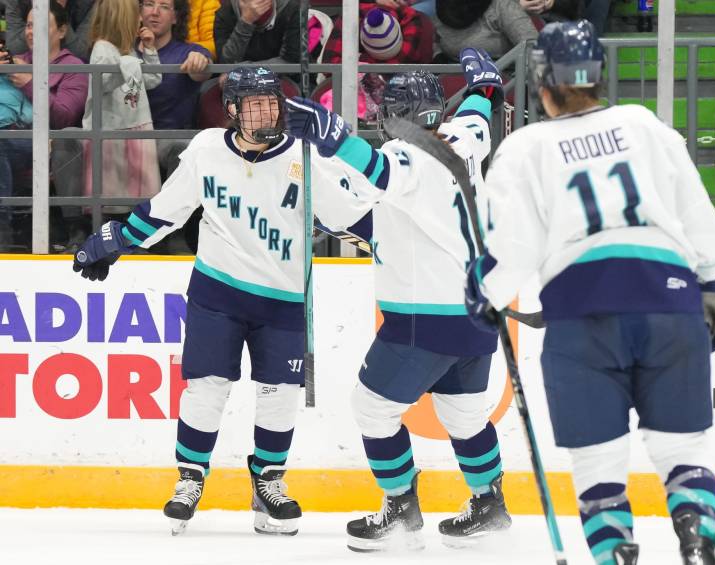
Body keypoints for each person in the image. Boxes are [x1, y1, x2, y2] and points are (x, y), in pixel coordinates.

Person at [465, 20, 715, 565]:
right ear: (600, 74)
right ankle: (697, 542)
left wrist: (484, 292)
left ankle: (616, 555)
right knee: (682, 453)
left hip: (583, 312)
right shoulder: (643, 124)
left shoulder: (523, 148)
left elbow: (511, 250)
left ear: (542, 80)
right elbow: (696, 212)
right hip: (669, 299)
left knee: (598, 468)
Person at [71, 66, 370, 536]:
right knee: (206, 388)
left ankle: (268, 482)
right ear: (231, 111)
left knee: (279, 395)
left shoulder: (308, 158)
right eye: (254, 104)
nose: (267, 111)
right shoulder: (207, 150)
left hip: (285, 300)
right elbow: (165, 211)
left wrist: (404, 248)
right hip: (217, 292)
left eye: (272, 101)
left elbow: (355, 220)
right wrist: (114, 241)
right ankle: (190, 478)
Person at [286, 49, 512, 551]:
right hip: (476, 316)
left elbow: (383, 174)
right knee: (465, 417)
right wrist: (485, 84)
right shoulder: (465, 139)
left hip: (423, 320)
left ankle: (401, 512)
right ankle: (490, 503)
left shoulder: (405, 155)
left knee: (371, 409)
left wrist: (332, 137)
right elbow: (481, 108)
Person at [0, 0, 88, 250]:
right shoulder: (13, 62)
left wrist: (30, 83)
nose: (31, 31)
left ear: (62, 31)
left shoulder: (75, 67)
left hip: (53, 144)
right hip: (14, 141)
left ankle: (2, 230)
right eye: (28, 25)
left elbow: (64, 118)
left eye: (39, 25)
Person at [82, 0, 161, 212]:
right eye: (136, 13)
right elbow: (101, 84)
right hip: (113, 133)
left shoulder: (129, 51)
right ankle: (112, 238)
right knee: (113, 200)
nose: (141, 18)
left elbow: (152, 79)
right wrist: (124, 67)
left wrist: (150, 51)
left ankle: (138, 238)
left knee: (141, 195)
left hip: (137, 126)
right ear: (123, 18)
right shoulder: (102, 49)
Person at [138, 0, 211, 180]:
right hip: (125, 138)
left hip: (167, 138)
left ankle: (172, 208)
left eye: (164, 6)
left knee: (182, 148)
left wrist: (199, 62)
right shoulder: (124, 50)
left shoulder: (189, 51)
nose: (155, 12)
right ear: (139, 12)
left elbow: (202, 72)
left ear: (175, 17)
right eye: (149, 4)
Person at [432, 0, 537, 63]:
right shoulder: (442, 5)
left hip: (505, 80)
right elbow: (436, 39)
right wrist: (438, 55)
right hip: (454, 79)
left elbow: (533, 47)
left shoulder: (501, 5)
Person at [4, 0, 94, 61]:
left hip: (72, 72)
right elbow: (15, 49)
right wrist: (39, 9)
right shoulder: (16, 2)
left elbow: (82, 53)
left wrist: (57, 11)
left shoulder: (88, 3)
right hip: (27, 66)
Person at [214, 0, 300, 64]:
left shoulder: (290, 9)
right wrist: (246, 22)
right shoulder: (225, 13)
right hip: (234, 80)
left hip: (279, 77)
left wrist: (246, 71)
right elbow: (225, 63)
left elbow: (290, 61)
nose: (254, 5)